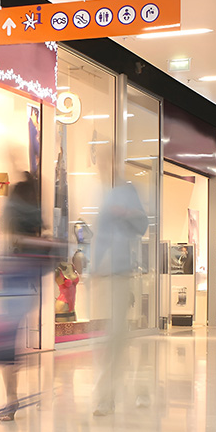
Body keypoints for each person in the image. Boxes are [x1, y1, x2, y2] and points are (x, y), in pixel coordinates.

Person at [90, 174, 148, 417]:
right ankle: (128, 391)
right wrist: (94, 268)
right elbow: (100, 236)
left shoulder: (129, 191)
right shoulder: (105, 196)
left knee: (117, 336)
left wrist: (127, 213)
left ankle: (111, 396)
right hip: (106, 274)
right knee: (113, 337)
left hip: (124, 273)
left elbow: (142, 225)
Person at [0, 177, 48, 422]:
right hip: (24, 283)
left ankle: (11, 399)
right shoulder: (34, 222)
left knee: (8, 344)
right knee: (10, 344)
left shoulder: (20, 222)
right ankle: (11, 398)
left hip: (16, 283)